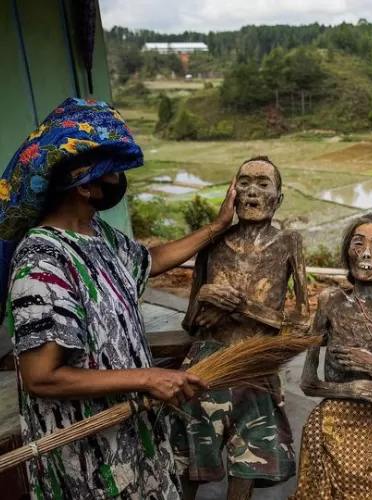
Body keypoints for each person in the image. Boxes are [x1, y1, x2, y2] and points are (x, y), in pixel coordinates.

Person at [3, 98, 235, 499]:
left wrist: (216, 228)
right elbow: (41, 376)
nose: (119, 182)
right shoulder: (42, 260)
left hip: (130, 432)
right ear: (84, 185)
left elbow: (150, 260)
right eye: (112, 173)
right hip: (88, 452)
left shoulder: (100, 235)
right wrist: (148, 377)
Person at [171, 157, 310, 500]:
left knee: (247, 461)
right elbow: (191, 322)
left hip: (253, 364)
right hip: (206, 363)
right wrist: (205, 295)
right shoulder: (213, 243)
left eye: (263, 184)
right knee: (190, 457)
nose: (252, 192)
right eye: (244, 182)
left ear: (278, 198)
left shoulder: (288, 243)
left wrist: (240, 307)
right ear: (232, 193)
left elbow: (303, 320)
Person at [292, 213, 372, 500]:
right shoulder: (331, 301)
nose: (365, 252)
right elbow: (308, 383)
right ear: (348, 252)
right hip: (331, 428)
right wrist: (350, 389)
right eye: (358, 243)